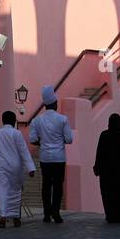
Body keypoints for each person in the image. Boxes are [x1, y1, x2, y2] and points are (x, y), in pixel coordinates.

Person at [28, 85, 74, 223]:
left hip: (45, 157)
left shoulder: (37, 120)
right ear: (54, 103)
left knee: (46, 185)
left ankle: (47, 213)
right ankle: (56, 212)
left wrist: (42, 143)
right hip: (59, 157)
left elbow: (32, 139)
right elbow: (69, 139)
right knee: (58, 185)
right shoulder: (63, 119)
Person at [0, 110, 36, 228]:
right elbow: (23, 151)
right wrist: (30, 168)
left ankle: (3, 216)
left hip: (0, 166)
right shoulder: (17, 134)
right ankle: (15, 217)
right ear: (14, 122)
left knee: (1, 190)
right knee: (15, 191)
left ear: (2, 121)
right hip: (15, 166)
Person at [94, 114, 120, 223]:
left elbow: (99, 153)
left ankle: (111, 215)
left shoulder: (104, 135)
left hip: (107, 173)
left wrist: (97, 167)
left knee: (108, 194)